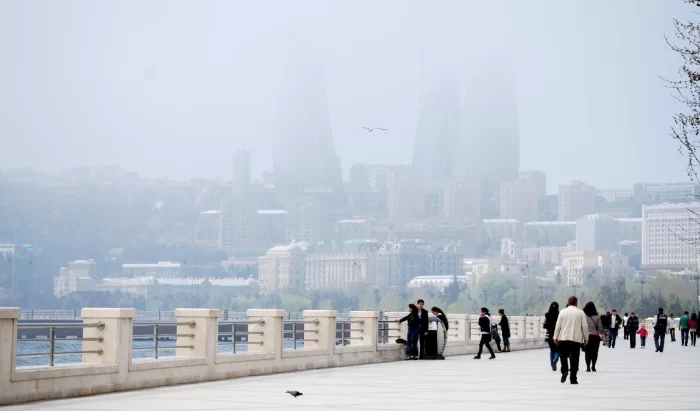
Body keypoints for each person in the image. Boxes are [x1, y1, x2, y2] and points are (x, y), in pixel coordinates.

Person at [553, 296, 589, 385]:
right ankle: (573, 379)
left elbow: (558, 326)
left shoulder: (562, 312)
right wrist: (586, 338)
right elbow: (584, 327)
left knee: (563, 356)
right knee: (575, 359)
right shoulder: (580, 313)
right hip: (576, 340)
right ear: (576, 303)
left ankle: (564, 371)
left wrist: (555, 337)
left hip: (564, 338)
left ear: (568, 303)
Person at [582, 301, 604, 373]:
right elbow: (600, 329)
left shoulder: (584, 317)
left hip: (586, 337)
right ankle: (593, 366)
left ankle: (588, 367)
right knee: (595, 352)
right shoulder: (597, 317)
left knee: (587, 352)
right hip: (595, 337)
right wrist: (604, 339)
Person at [543, 302, 560, 371]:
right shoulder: (559, 315)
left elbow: (545, 325)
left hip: (549, 335)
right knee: (558, 350)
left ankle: (552, 364)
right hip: (557, 335)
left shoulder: (547, 315)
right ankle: (555, 360)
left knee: (552, 350)